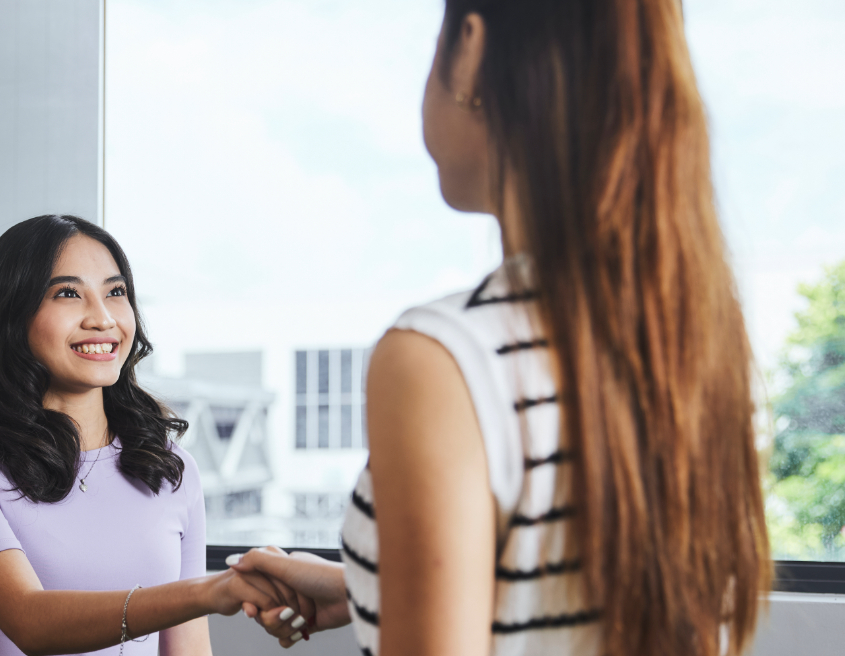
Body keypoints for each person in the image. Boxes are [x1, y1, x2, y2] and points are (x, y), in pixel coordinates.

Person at [228, 1, 773, 655]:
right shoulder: (692, 337)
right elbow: (576, 595)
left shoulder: (443, 358)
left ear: (470, 50)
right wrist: (373, 587)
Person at [0, 215, 300, 656]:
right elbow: (29, 621)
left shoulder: (170, 468)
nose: (102, 318)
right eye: (68, 293)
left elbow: (188, 651)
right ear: (12, 313)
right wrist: (210, 592)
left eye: (116, 292)